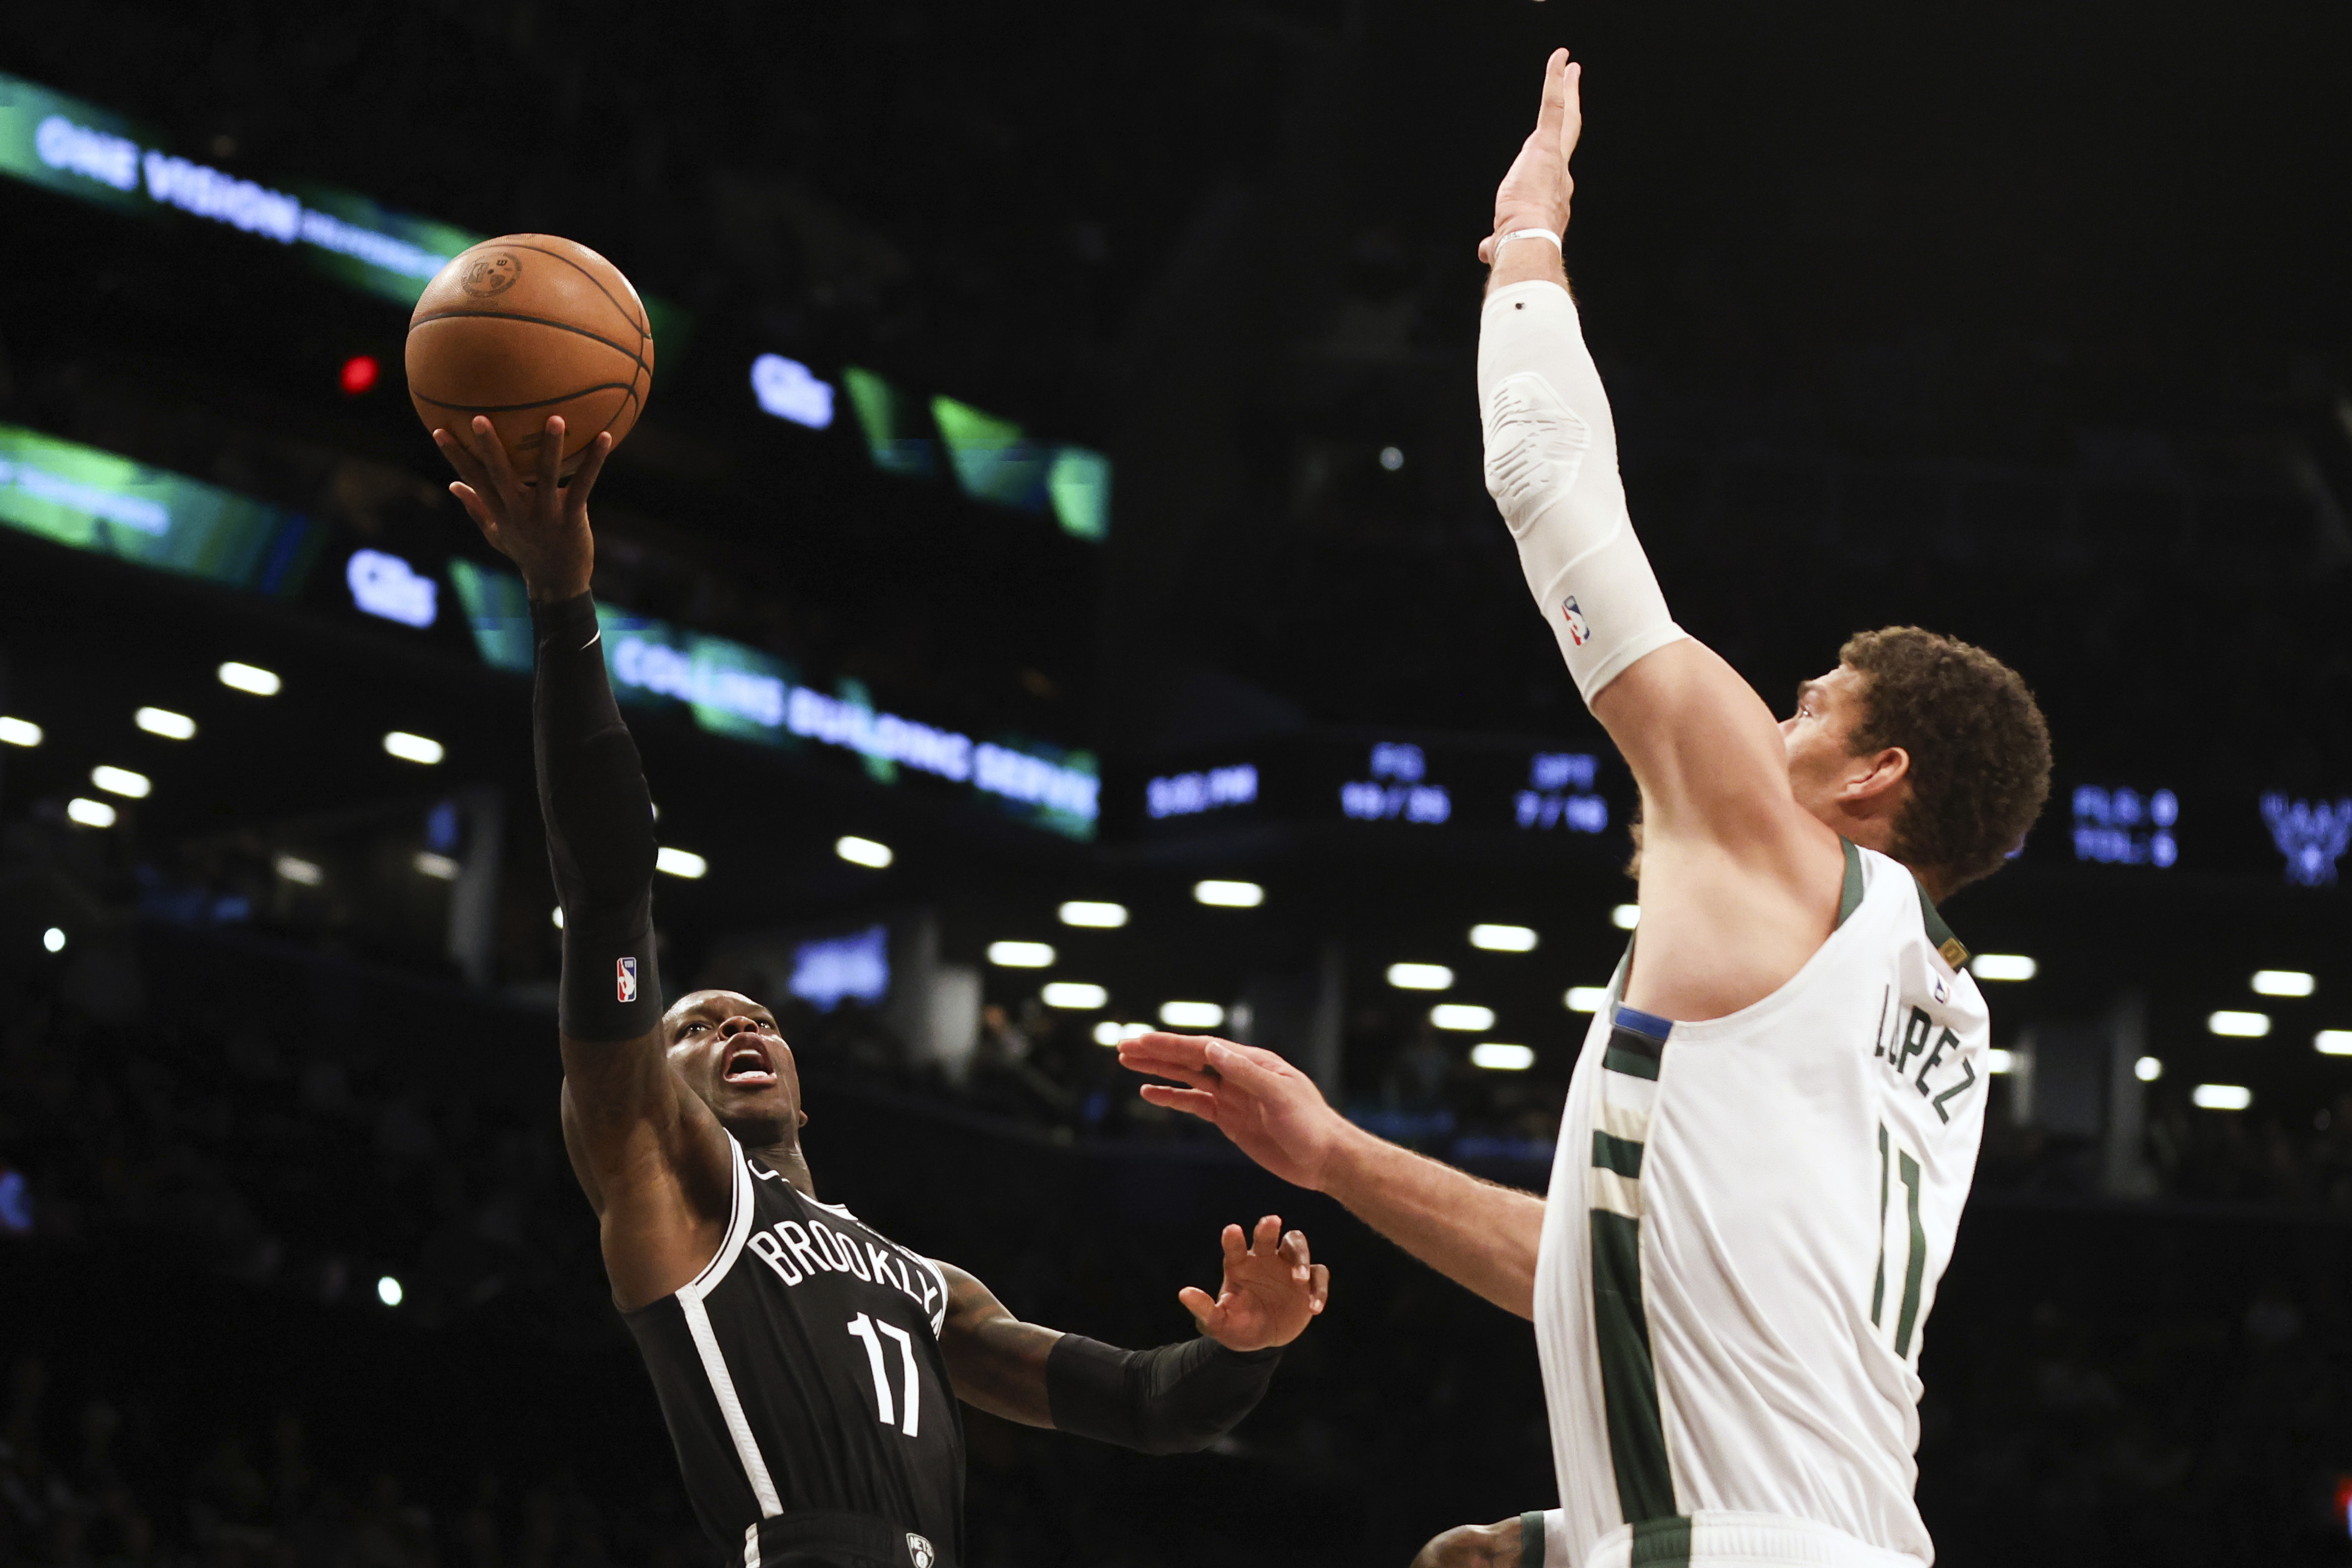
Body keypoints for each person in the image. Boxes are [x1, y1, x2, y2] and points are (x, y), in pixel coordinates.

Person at [1119, 46, 2050, 1568]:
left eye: (1812, 704)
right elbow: (1609, 1268)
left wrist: (1528, 230)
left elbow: (1545, 473)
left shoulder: (1783, 850)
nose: (1767, 713)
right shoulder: (1939, 1020)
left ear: (1874, 779)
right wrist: (1339, 1154)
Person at [432, 415, 1331, 1568]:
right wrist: (563, 610)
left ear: (806, 1098)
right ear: (647, 1084)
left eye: (754, 1018)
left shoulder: (925, 1286)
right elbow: (606, 890)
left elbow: (1151, 1406)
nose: (738, 1026)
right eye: (695, 1029)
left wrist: (1245, 1348)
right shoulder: (664, 1168)